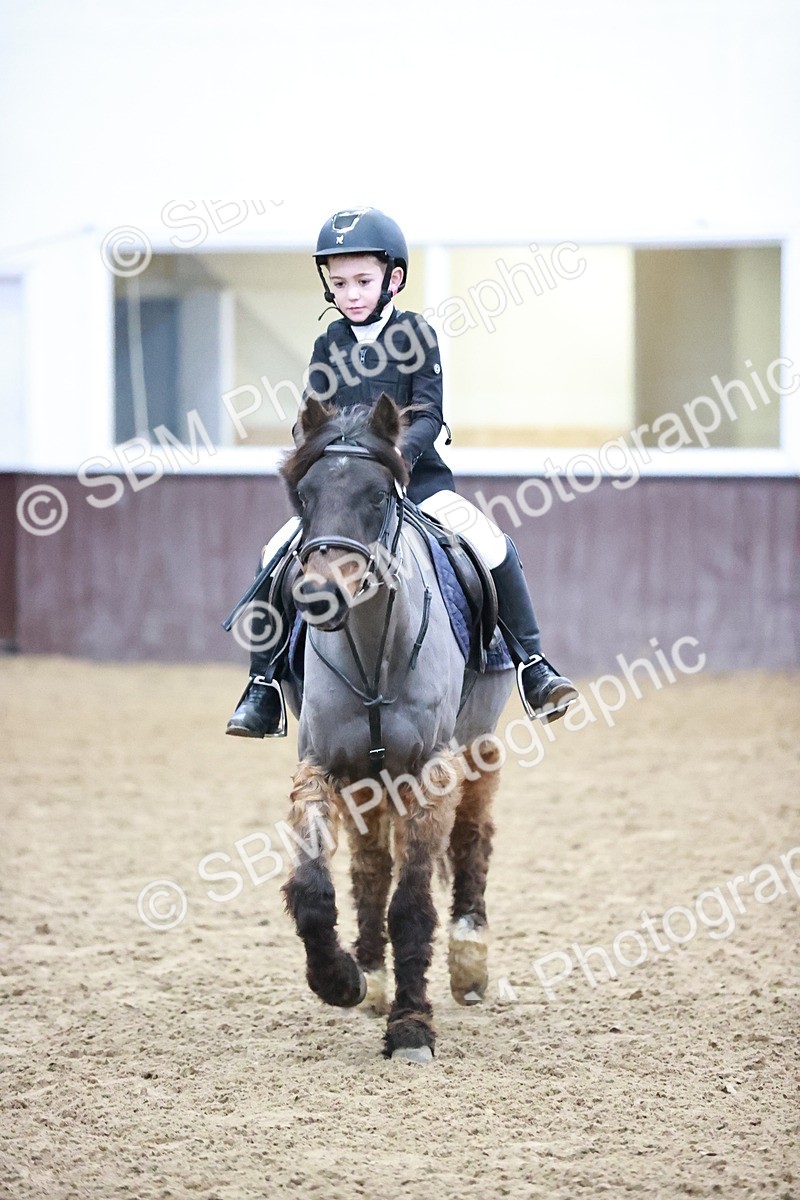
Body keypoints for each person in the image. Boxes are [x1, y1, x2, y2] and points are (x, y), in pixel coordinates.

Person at [226, 207, 577, 738]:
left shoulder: (416, 333)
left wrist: (392, 466)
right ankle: (264, 687)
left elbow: (429, 415)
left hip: (419, 484)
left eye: (362, 281)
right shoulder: (328, 346)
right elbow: (311, 420)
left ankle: (533, 666)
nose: (350, 293)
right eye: (339, 283)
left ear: (394, 279)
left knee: (491, 544)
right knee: (273, 555)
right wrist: (320, 466)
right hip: (347, 499)